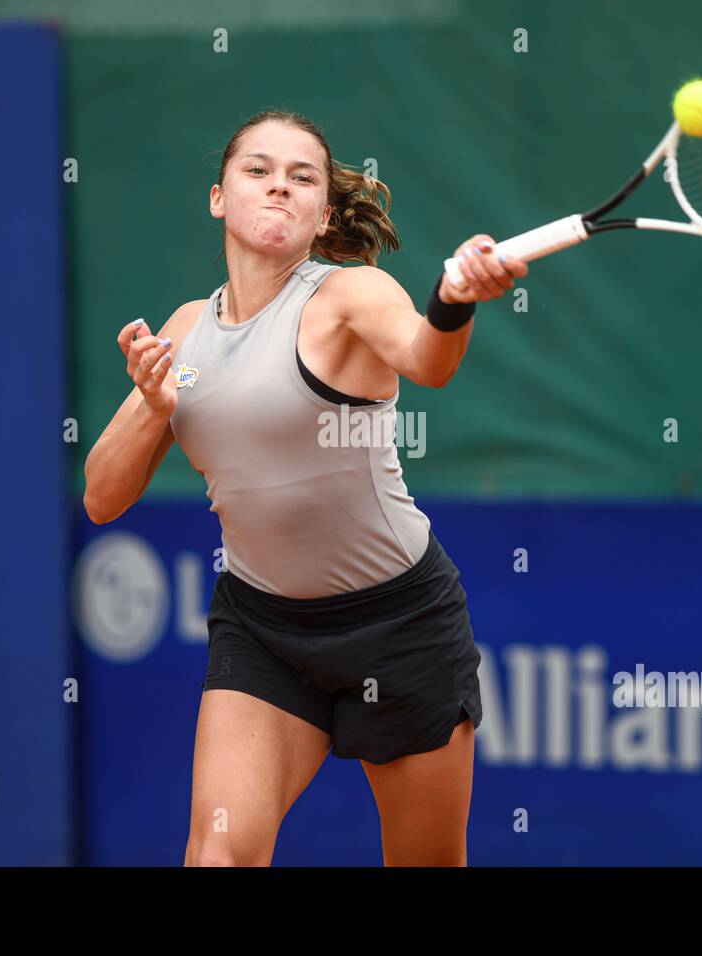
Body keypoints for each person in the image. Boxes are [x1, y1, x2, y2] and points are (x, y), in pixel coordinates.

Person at [83, 109, 527, 866]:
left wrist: (453, 300)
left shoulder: (351, 297)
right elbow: (101, 497)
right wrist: (155, 408)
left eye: (302, 178)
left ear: (323, 213)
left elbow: (430, 360)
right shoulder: (185, 332)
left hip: (400, 624)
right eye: (257, 171)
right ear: (218, 197)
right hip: (263, 631)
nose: (278, 188)